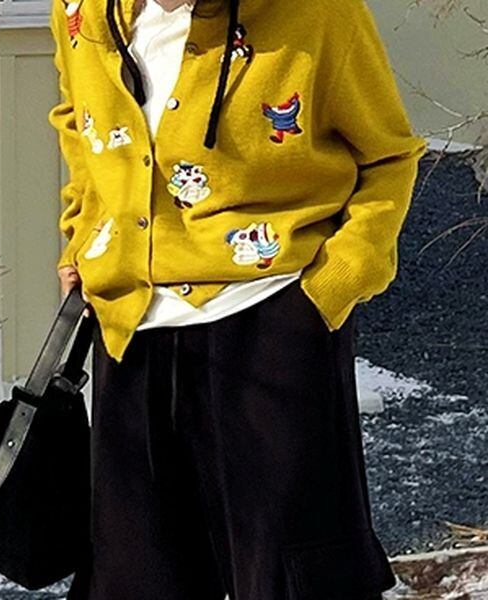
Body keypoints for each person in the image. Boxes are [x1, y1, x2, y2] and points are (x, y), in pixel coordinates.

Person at [48, 0, 427, 597]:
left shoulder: (320, 14)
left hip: (270, 323)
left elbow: (389, 156)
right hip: (129, 327)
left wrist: (334, 284)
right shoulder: (81, 13)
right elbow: (78, 124)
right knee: (135, 578)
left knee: (290, 577)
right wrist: (83, 235)